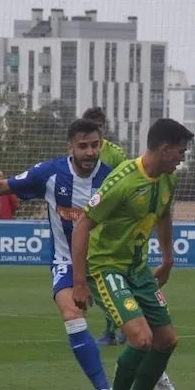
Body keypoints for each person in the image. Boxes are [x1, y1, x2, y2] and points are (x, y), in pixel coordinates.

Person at [0, 118, 181, 390]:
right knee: (72, 314)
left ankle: (155, 375)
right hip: (67, 261)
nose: (90, 152)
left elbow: (156, 210)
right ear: (70, 147)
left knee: (149, 334)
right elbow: (3, 184)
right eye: (83, 146)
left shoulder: (113, 177)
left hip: (111, 262)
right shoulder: (50, 174)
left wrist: (164, 258)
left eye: (95, 145)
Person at [71, 118, 194, 390]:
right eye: (180, 151)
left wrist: (167, 259)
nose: (183, 157)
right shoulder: (122, 181)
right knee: (141, 339)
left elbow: (164, 216)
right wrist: (80, 281)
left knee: (167, 339)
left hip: (138, 268)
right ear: (164, 149)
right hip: (106, 267)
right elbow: (83, 224)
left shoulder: (168, 179)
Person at [81, 106, 128, 347]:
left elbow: (126, 187)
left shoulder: (115, 154)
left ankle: (120, 324)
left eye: (95, 130)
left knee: (106, 277)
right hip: (85, 223)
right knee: (92, 279)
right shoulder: (79, 151)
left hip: (108, 226)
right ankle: (115, 327)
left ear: (102, 129)